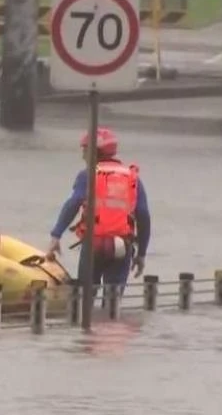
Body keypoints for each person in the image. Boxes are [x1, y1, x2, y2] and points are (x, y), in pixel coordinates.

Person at [46, 126, 151, 301]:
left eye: (85, 150)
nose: (83, 155)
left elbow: (73, 203)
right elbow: (143, 215)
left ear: (96, 151)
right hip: (121, 247)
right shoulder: (132, 178)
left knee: (85, 301)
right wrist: (141, 254)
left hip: (93, 245)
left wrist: (56, 235)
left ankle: (85, 327)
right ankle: (111, 324)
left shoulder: (87, 175)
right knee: (113, 303)